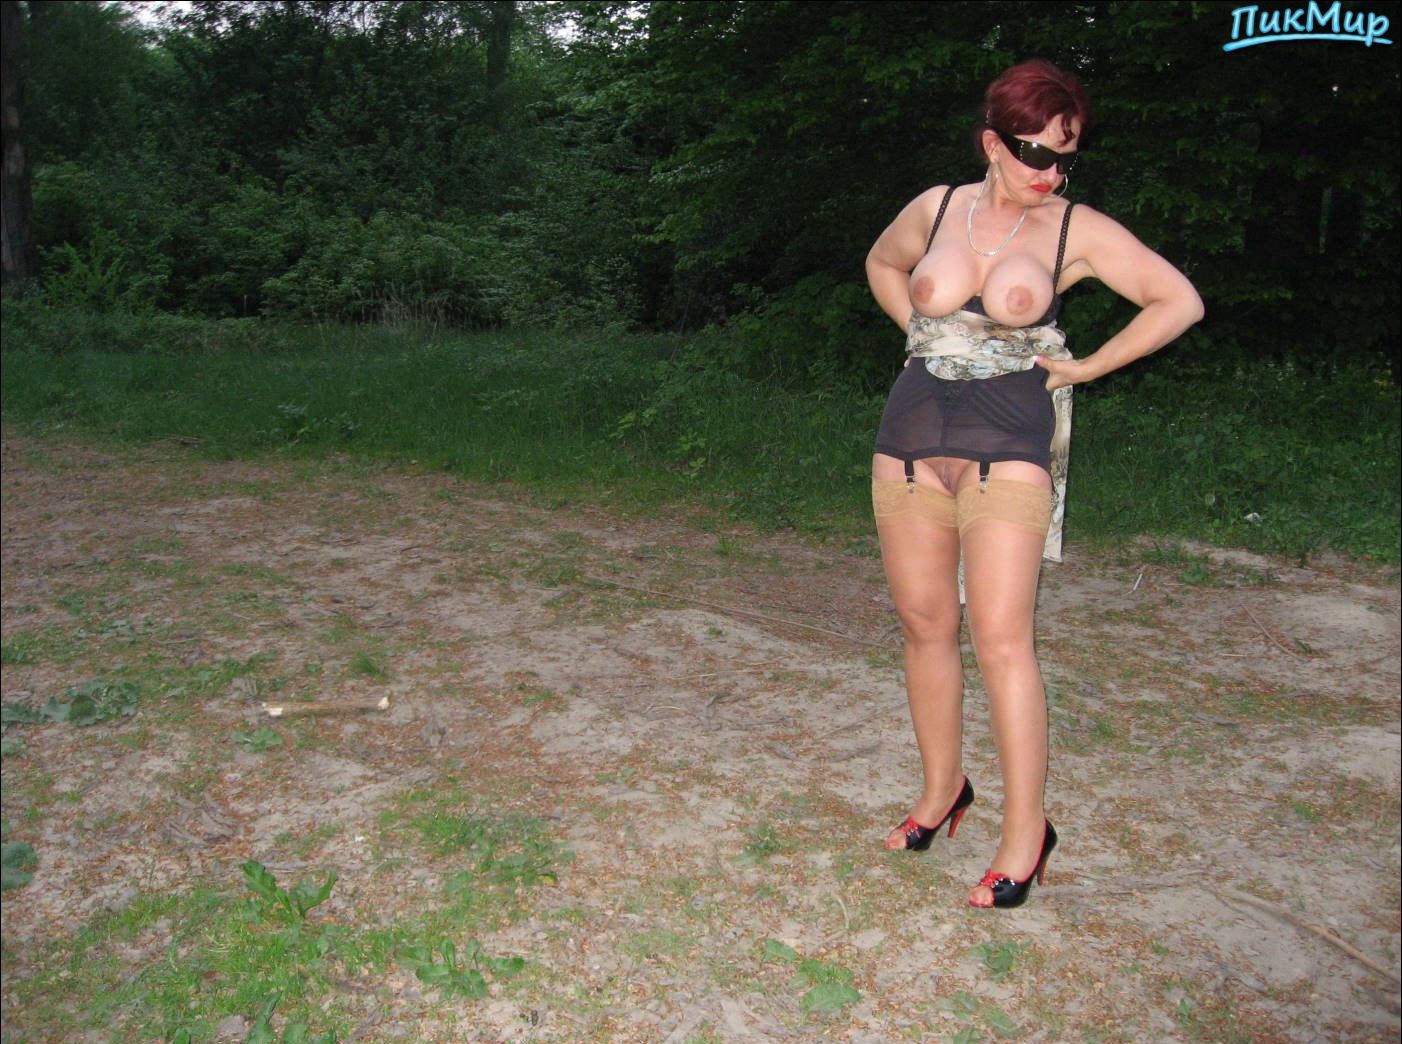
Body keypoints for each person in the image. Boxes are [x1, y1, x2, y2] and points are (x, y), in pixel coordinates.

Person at [864, 59, 1202, 909]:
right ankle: (942, 791)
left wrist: (1085, 367)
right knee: (924, 623)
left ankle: (1027, 832)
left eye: (1064, 157)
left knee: (1002, 637)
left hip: (1009, 439)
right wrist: (920, 330)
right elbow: (881, 262)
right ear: (992, 142)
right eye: (1034, 153)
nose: (1049, 172)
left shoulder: (1072, 228)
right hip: (909, 433)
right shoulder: (937, 207)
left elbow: (1177, 300)